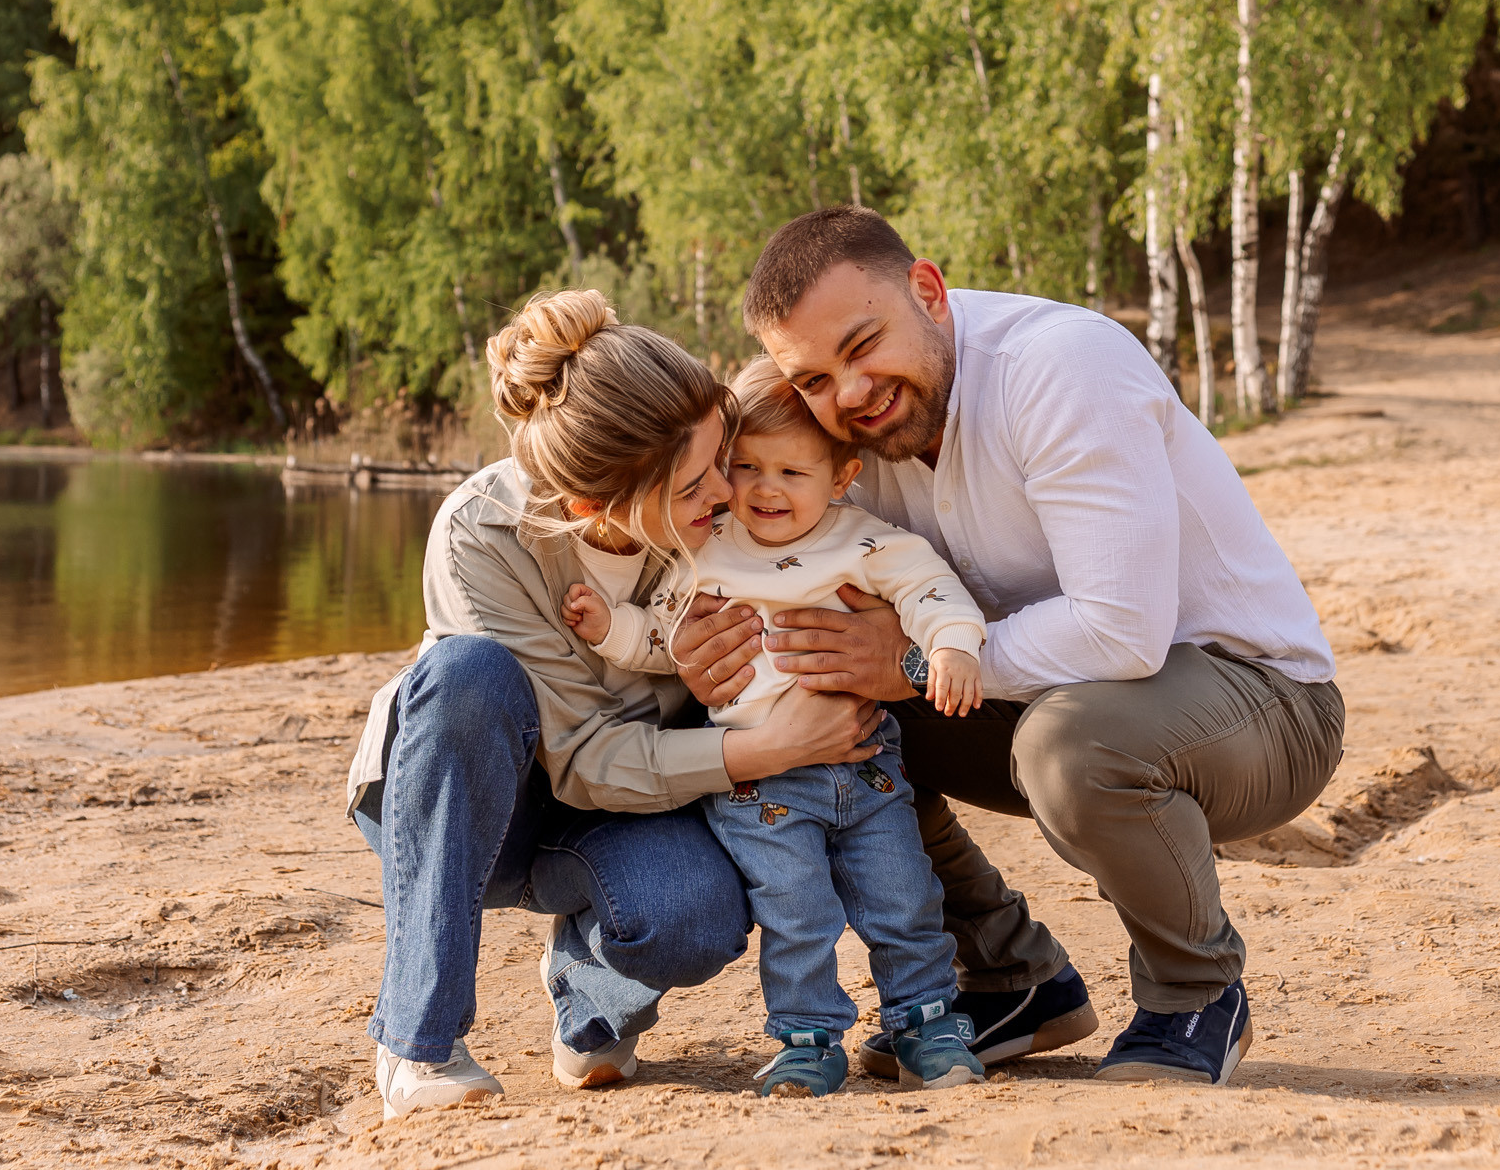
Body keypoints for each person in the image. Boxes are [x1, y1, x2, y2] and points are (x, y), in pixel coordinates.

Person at [674, 207, 1345, 1087]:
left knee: (1068, 743)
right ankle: (1011, 978)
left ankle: (1196, 994)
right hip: (1046, 695)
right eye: (814, 378)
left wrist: (907, 665)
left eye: (864, 343)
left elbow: (1121, 631)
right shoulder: (840, 429)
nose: (850, 393)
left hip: (1259, 701)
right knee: (817, 703)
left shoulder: (1061, 368)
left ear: (928, 290)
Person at [344, 291, 886, 1120]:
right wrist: (766, 749)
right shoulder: (483, 532)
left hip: (624, 807)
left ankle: (590, 1003)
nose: (727, 491)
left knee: (695, 916)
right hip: (468, 807)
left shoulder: (730, 526)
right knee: (468, 676)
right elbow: (585, 758)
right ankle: (419, 1042)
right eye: (693, 483)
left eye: (723, 457)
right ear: (599, 507)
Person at [562, 356, 988, 1096]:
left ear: (842, 477)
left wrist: (949, 644)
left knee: (903, 896)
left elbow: (930, 590)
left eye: (793, 473)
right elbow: (668, 640)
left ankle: (927, 1024)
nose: (765, 488)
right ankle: (808, 1037)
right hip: (760, 785)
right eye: (747, 467)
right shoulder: (704, 549)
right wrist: (612, 632)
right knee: (795, 913)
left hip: (864, 765)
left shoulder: (865, 543)